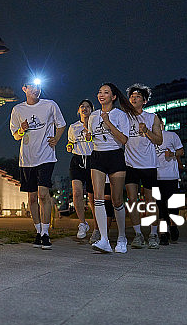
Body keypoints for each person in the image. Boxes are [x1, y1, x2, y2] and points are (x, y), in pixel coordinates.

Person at [10, 79, 66, 250]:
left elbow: (61, 125)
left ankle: (46, 233)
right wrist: (22, 129)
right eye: (32, 86)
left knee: (43, 194)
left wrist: (56, 138)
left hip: (46, 156)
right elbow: (15, 135)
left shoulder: (50, 105)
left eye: (38, 86)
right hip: (27, 158)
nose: (36, 89)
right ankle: (38, 231)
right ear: (24, 89)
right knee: (32, 198)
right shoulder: (18, 109)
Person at [85, 83, 136, 253]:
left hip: (115, 156)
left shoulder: (120, 115)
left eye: (106, 92)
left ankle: (121, 238)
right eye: (100, 92)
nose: (101, 95)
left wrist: (108, 123)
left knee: (117, 200)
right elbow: (94, 138)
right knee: (98, 198)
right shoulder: (93, 116)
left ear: (113, 97)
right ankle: (104, 239)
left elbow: (124, 140)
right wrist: (89, 136)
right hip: (98, 156)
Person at [124, 84, 164, 249]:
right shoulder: (124, 116)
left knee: (150, 201)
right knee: (132, 200)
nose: (134, 98)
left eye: (138, 96)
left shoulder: (151, 117)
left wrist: (147, 131)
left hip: (148, 165)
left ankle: (153, 234)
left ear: (145, 101)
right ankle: (138, 234)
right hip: (130, 164)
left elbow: (159, 140)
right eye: (132, 95)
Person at [66, 99, 95, 239]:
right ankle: (82, 224)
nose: (84, 109)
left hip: (92, 160)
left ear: (92, 110)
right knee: (77, 193)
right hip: (77, 160)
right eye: (82, 106)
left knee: (92, 197)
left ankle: (97, 226)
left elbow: (102, 143)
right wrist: (69, 146)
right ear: (78, 110)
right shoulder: (73, 127)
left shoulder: (96, 125)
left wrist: (91, 137)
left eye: (88, 107)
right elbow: (70, 143)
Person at [155, 130, 184, 245]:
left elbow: (181, 151)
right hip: (156, 177)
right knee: (160, 207)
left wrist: (172, 154)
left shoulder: (171, 135)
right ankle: (163, 234)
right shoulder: (149, 137)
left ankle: (173, 226)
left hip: (171, 177)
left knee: (172, 207)